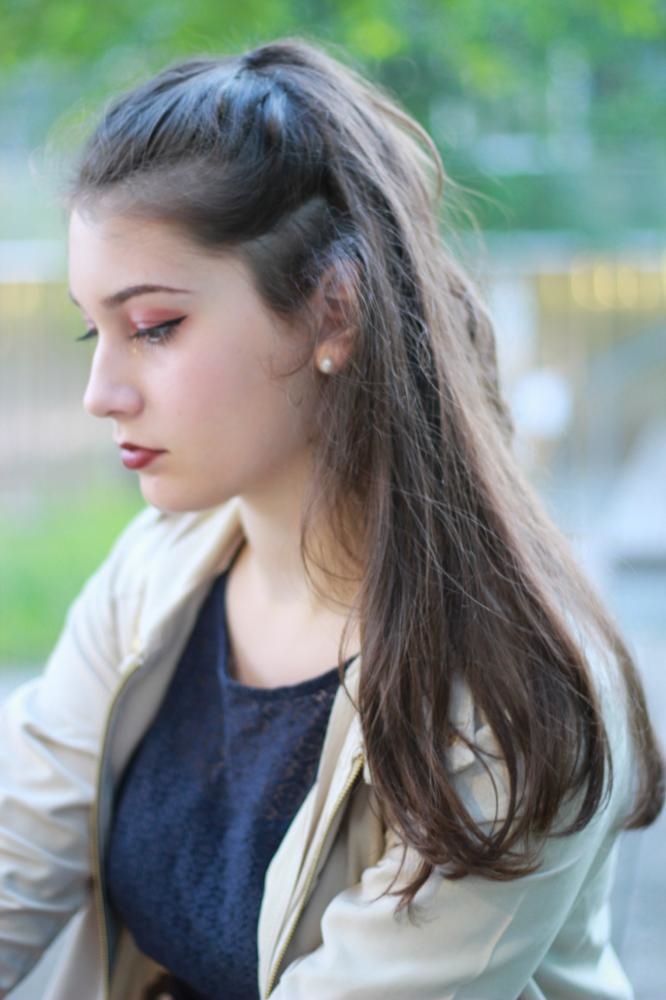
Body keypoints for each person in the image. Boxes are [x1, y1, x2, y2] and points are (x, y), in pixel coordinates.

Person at [0, 36, 663, 1000]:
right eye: (89, 328)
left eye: (152, 327)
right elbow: (17, 853)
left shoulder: (510, 699)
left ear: (333, 311)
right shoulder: (156, 568)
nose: (101, 391)